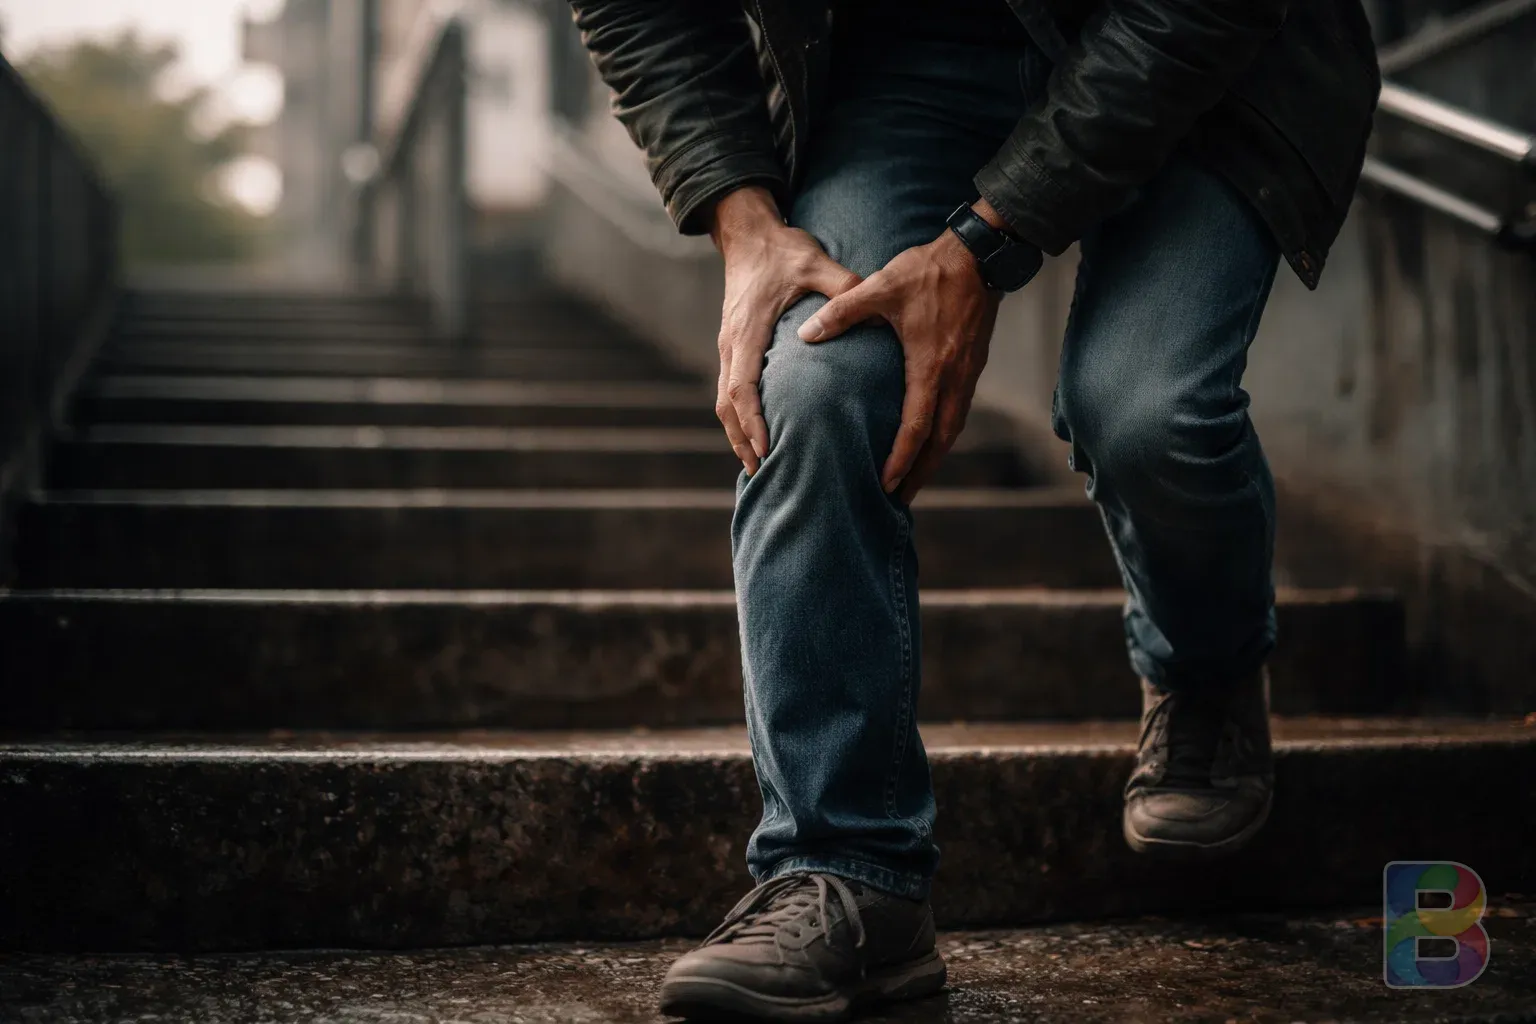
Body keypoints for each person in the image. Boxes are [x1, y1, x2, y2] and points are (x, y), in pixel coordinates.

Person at [567, 0, 1379, 1018]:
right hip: (907, 59)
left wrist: (983, 246)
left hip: (1199, 57)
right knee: (814, 388)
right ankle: (848, 876)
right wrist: (743, 219)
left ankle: (1205, 669)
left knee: (1142, 407)